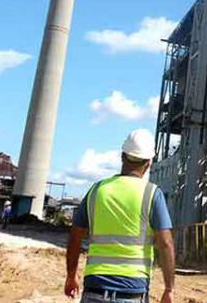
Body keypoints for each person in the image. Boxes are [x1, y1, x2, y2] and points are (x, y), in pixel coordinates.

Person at [64, 129, 175, 303]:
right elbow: (166, 244)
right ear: (149, 163)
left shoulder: (96, 190)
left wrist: (71, 275)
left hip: (95, 288)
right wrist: (169, 289)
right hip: (132, 290)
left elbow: (75, 237)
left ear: (122, 156)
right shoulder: (152, 194)